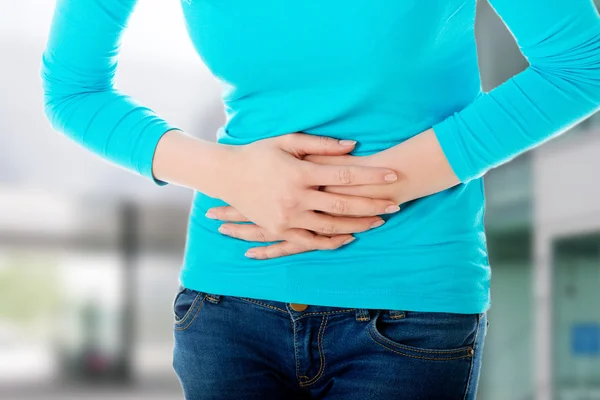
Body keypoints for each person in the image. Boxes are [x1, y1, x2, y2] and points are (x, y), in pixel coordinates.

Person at [41, 0, 600, 398]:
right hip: (228, 307)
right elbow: (73, 89)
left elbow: (581, 64)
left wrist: (378, 183)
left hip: (408, 309)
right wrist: (229, 173)